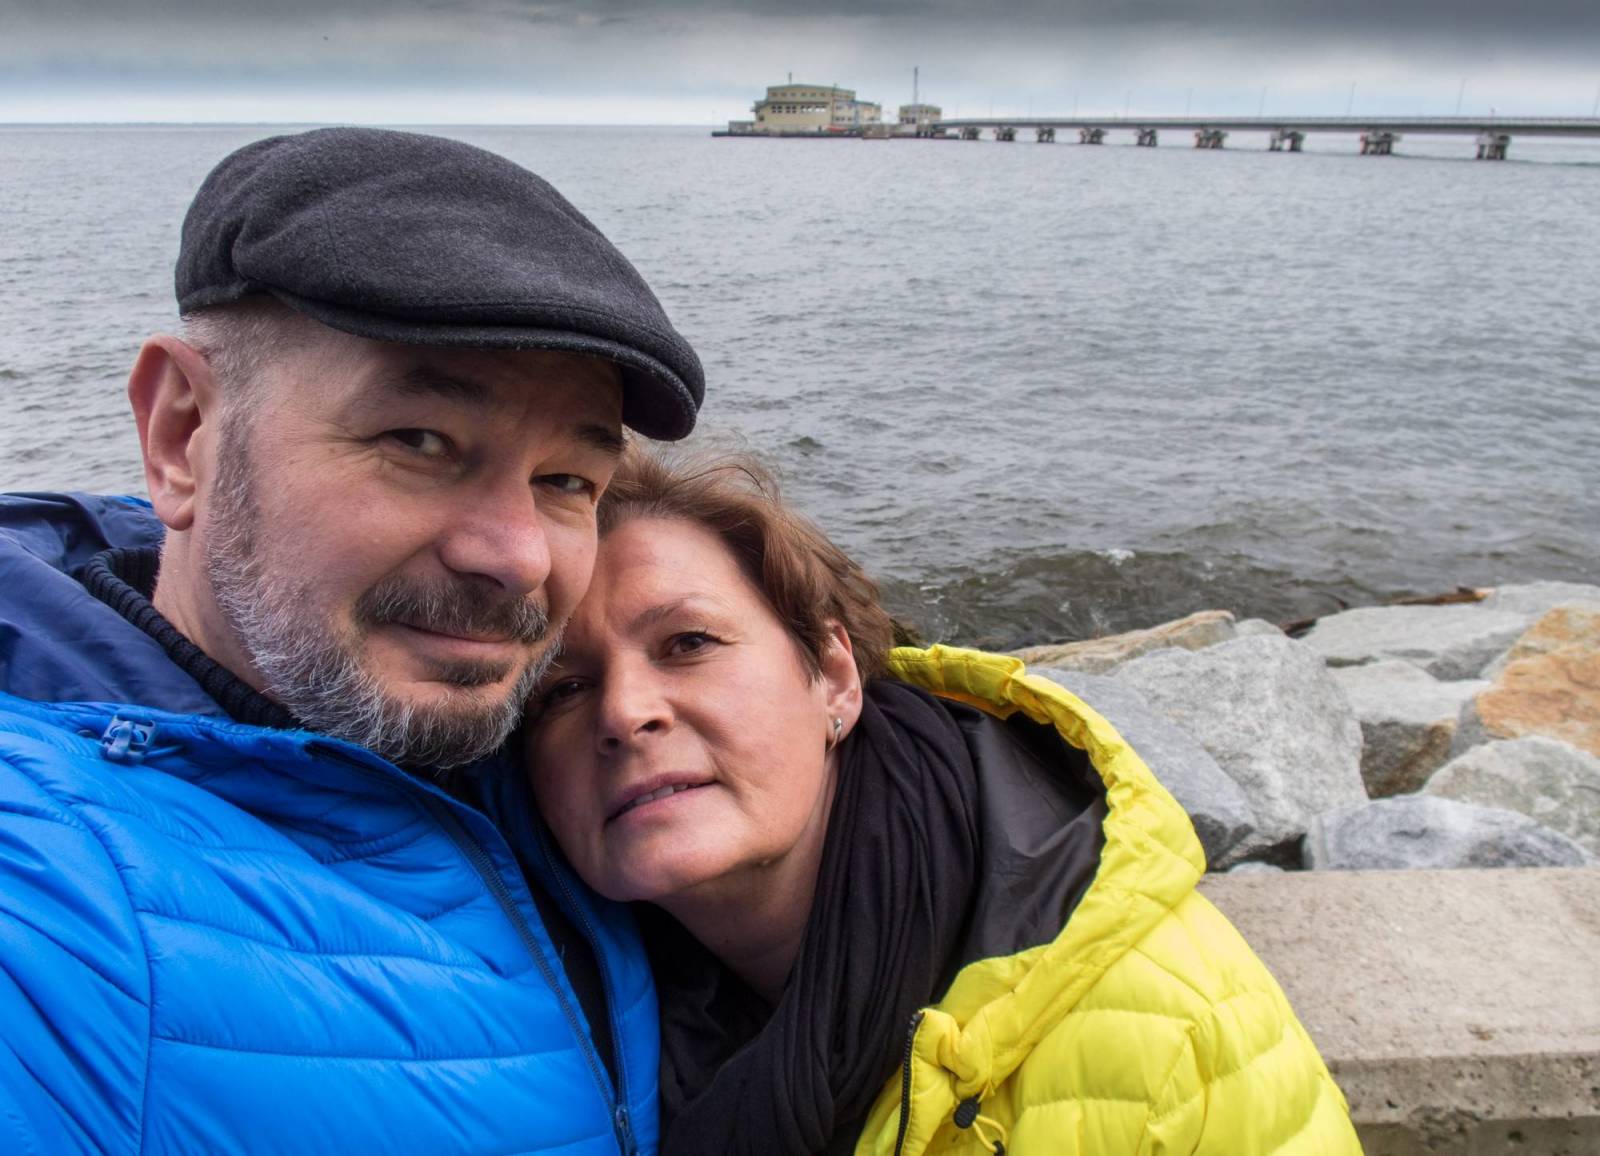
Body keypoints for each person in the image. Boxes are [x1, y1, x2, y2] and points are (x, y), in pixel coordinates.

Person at [0, 128, 705, 1153]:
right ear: (183, 436)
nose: (518, 559)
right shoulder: (52, 906)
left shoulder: (542, 749)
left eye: (566, 480)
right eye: (417, 441)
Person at [526, 450, 1364, 1156]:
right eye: (561, 688)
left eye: (689, 643)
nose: (624, 711)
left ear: (834, 678)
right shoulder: (527, 1013)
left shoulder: (1167, 1040)